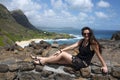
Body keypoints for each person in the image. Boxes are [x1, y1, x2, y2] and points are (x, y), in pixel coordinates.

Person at [31, 27, 108, 73]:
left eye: (88, 33)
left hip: (83, 63)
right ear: (82, 34)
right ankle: (41, 58)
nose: (86, 35)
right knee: (58, 60)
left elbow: (99, 55)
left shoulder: (93, 43)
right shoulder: (82, 41)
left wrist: (104, 66)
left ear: (91, 33)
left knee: (63, 54)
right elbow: (72, 46)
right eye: (84, 34)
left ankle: (42, 61)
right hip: (78, 59)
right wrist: (61, 49)